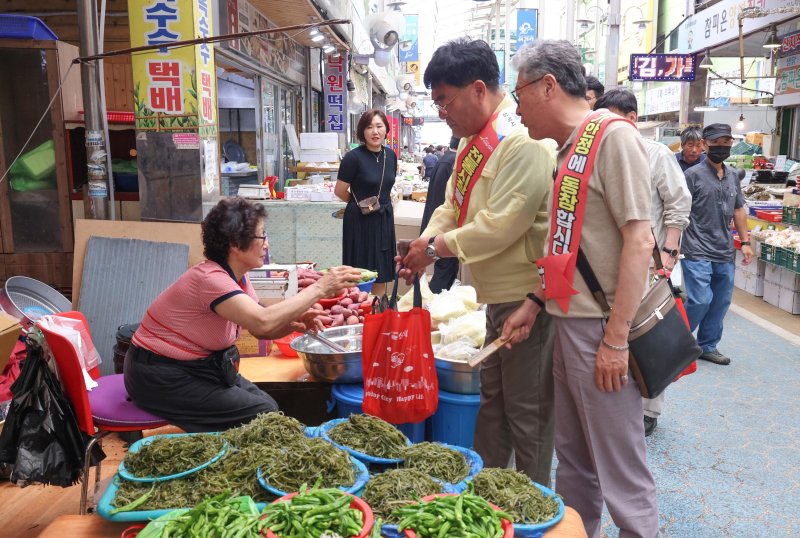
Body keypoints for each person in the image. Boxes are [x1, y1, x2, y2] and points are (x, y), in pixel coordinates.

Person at [502, 40, 659, 537]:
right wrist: (534, 302)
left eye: (520, 93)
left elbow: (640, 240)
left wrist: (616, 340)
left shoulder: (613, 138)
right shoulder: (569, 149)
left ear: (548, 86)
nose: (517, 107)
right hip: (569, 323)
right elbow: (571, 247)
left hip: (601, 330)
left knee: (620, 467)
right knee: (573, 460)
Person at [398, 38, 557, 488]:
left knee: (527, 413)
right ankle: (486, 496)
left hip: (526, 299)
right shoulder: (473, 140)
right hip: (496, 297)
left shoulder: (522, 141)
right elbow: (453, 205)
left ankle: (531, 502)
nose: (442, 112)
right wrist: (424, 243)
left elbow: (501, 225)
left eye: (445, 101)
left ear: (479, 89)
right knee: (493, 406)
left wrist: (433, 250)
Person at [124, 197, 361, 433]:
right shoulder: (210, 280)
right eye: (262, 236)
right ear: (236, 244)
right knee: (261, 412)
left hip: (201, 369)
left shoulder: (237, 277)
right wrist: (320, 288)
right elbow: (262, 323)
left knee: (268, 407)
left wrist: (294, 324)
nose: (267, 244)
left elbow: (260, 329)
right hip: (160, 376)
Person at [594, 88, 692, 438]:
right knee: (621, 334)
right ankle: (622, 402)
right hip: (617, 265)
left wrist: (668, 253)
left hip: (651, 263)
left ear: (631, 118)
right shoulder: (602, 152)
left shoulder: (656, 154)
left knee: (650, 333)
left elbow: (678, 204)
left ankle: (650, 407)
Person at [681, 123, 753, 366]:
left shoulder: (732, 175)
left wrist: (745, 241)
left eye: (726, 143)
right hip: (696, 248)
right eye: (715, 143)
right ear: (705, 144)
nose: (721, 148)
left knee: (720, 301)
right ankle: (677, 344)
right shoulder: (692, 176)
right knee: (700, 299)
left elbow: (738, 209)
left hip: (724, 250)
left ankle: (707, 346)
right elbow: (678, 210)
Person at [335, 109, 398, 297]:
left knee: (381, 271)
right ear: (362, 131)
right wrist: (360, 205)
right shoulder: (353, 158)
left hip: (383, 218)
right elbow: (339, 191)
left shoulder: (391, 156)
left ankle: (378, 306)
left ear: (386, 129)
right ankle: (357, 306)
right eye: (369, 127)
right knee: (359, 272)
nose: (375, 132)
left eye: (379, 126)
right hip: (359, 220)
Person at [420, 135, 460, 293]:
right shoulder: (454, 162)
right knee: (444, 273)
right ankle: (432, 304)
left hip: (437, 223)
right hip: (445, 228)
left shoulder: (444, 159)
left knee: (445, 271)